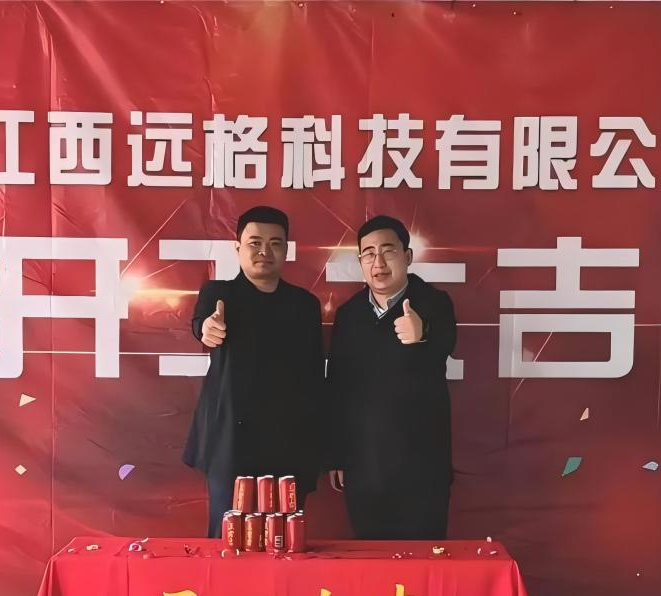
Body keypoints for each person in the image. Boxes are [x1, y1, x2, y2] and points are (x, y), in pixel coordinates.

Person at [182, 206, 323, 537]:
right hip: (231, 442)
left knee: (284, 540)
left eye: (275, 243)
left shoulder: (304, 305)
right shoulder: (219, 294)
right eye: (255, 243)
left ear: (286, 249)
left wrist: (322, 450)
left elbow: (316, 379)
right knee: (228, 538)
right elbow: (203, 324)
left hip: (290, 443)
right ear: (238, 248)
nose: (264, 251)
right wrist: (208, 329)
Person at [326, 215, 457, 540]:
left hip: (422, 464)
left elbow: (445, 342)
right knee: (372, 562)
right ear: (360, 261)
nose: (379, 263)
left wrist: (422, 333)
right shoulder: (349, 314)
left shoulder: (434, 303)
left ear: (407, 256)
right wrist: (336, 455)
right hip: (364, 465)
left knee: (423, 560)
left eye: (388, 251)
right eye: (369, 254)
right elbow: (337, 388)